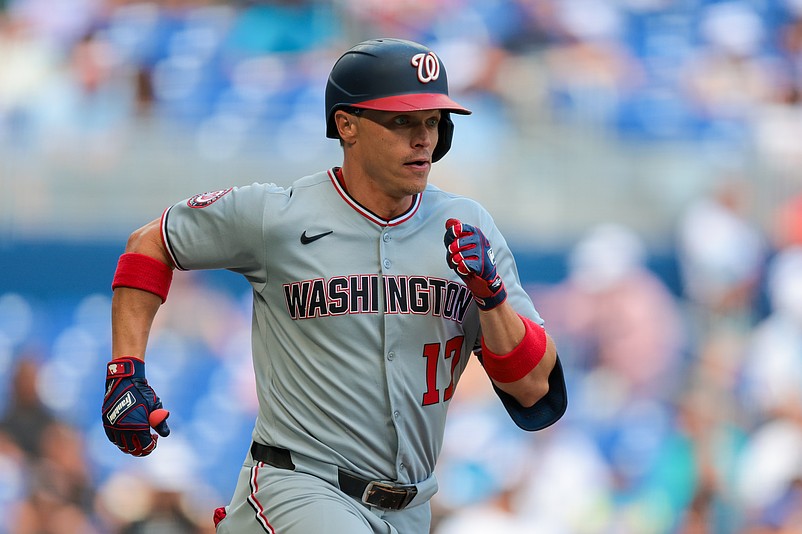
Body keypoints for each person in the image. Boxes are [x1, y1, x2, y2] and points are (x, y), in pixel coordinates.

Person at [101, 37, 567, 534]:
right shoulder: (278, 215)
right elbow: (150, 243)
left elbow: (534, 391)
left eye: (432, 121)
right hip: (299, 485)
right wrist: (125, 369)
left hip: (411, 507)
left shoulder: (469, 226)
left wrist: (492, 298)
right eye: (402, 120)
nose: (423, 138)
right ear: (347, 125)